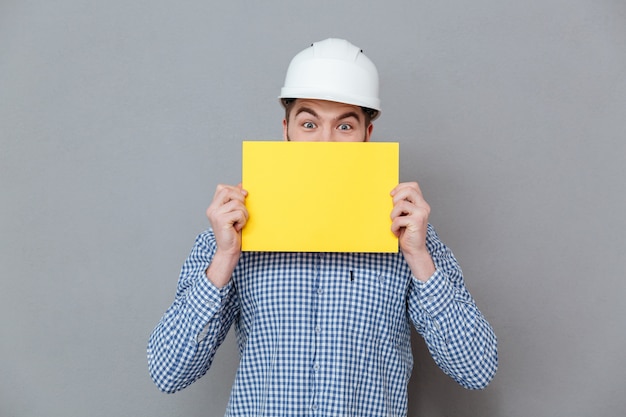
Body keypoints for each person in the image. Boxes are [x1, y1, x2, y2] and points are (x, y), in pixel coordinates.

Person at [148, 38, 498, 416]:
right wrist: (224, 257)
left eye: (344, 126)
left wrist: (419, 257)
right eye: (310, 123)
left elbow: (476, 369)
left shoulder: (409, 237)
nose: (325, 142)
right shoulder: (231, 234)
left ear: (367, 135)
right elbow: (169, 372)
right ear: (286, 131)